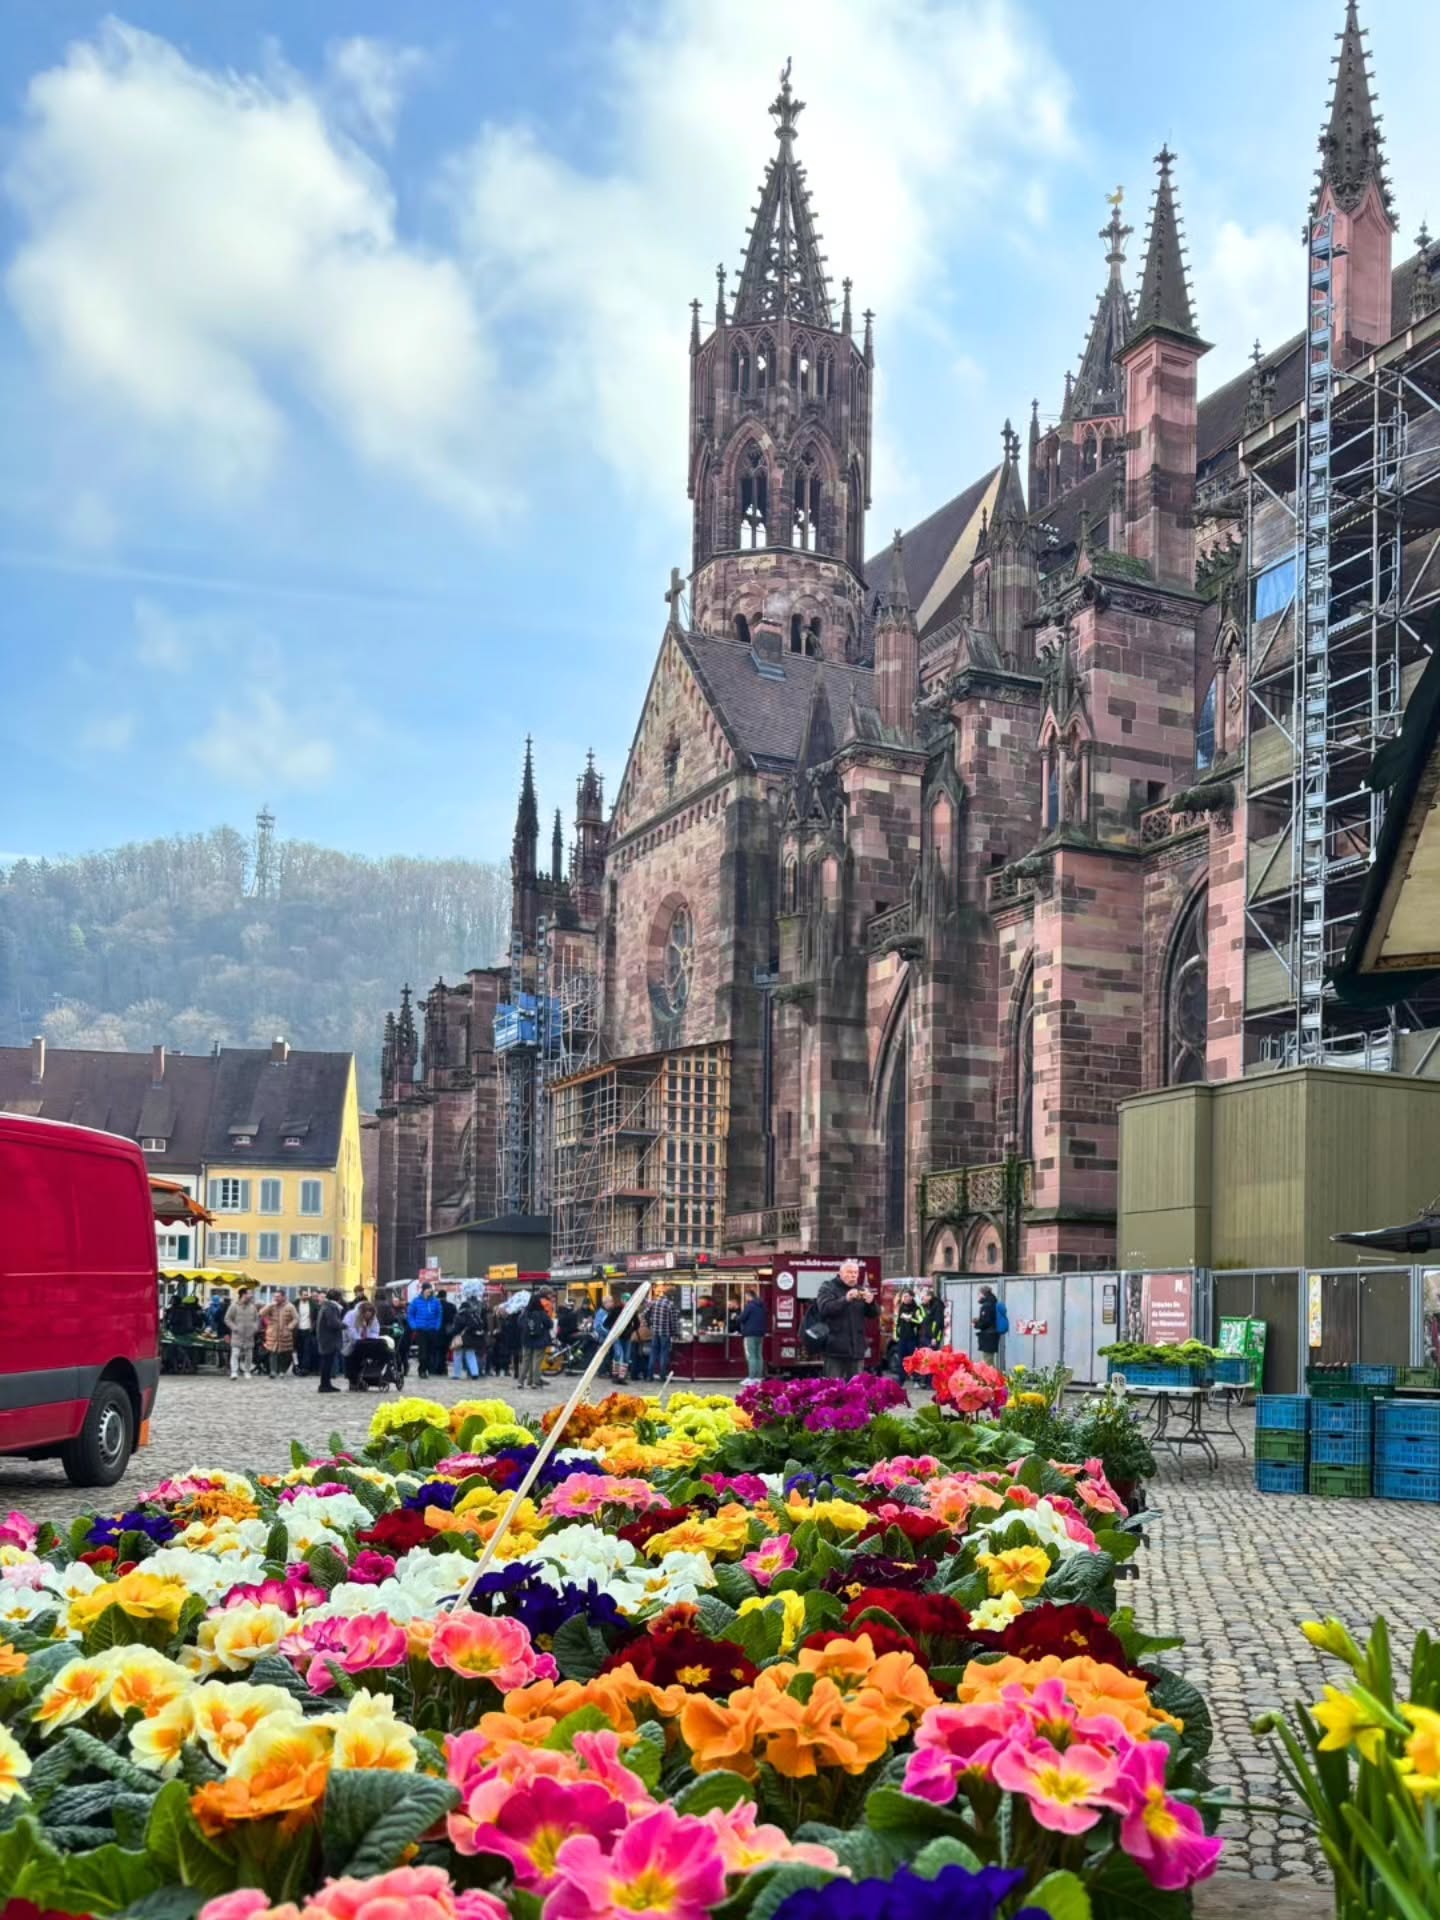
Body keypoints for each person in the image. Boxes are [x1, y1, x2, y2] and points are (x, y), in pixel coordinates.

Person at [815, 1259, 878, 1380]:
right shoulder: (828, 1287)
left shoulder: (860, 1289)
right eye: (849, 1272)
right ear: (840, 1273)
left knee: (856, 1389)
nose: (853, 1275)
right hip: (834, 1350)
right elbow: (825, 1309)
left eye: (855, 1272)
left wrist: (871, 1303)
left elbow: (873, 1315)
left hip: (856, 1350)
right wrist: (846, 1299)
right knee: (833, 1388)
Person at [345, 1299, 387, 1390]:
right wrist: (359, 1340)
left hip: (366, 1342)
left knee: (381, 1347)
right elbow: (350, 1330)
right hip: (352, 1343)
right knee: (353, 1359)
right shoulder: (351, 1316)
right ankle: (353, 1381)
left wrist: (370, 1339)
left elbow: (375, 1330)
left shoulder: (373, 1318)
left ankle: (372, 1375)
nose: (368, 1317)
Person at [407, 1282, 443, 1377]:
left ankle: (426, 1368)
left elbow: (439, 1315)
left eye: (430, 1291)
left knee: (430, 1351)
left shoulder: (435, 1301)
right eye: (427, 1291)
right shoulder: (416, 1301)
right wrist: (414, 1325)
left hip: (432, 1329)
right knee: (423, 1352)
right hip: (420, 1329)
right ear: (423, 1290)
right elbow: (410, 1314)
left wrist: (437, 1326)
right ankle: (422, 1370)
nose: (429, 1293)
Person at [520, 1291, 553, 1390]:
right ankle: (534, 1382)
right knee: (536, 1362)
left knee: (525, 1360)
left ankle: (521, 1382)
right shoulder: (541, 1313)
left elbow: (520, 1323)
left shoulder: (526, 1312)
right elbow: (550, 1324)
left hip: (526, 1339)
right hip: (540, 1339)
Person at [224, 1288, 260, 1381]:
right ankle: (234, 1372)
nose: (251, 1295)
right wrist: (234, 1327)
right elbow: (227, 1319)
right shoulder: (234, 1306)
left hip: (249, 1335)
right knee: (235, 1354)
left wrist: (255, 1328)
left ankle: (247, 1371)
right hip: (237, 1335)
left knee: (249, 1355)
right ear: (243, 1295)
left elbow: (257, 1319)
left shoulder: (253, 1307)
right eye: (249, 1293)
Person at [262, 1292, 298, 1378]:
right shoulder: (271, 1306)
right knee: (272, 1352)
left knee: (284, 1353)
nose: (275, 1298)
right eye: (274, 1296)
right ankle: (273, 1371)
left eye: (278, 1296)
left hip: (285, 1333)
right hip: (273, 1333)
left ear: (283, 1297)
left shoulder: (290, 1306)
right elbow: (261, 1313)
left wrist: (290, 1327)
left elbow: (296, 1318)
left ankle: (282, 1371)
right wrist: (269, 1305)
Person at [649, 1285, 680, 1383]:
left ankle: (649, 1375)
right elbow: (673, 1321)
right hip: (665, 1333)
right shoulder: (670, 1305)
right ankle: (662, 1376)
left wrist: (651, 1323)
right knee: (664, 1353)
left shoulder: (655, 1302)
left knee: (653, 1353)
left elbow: (645, 1313)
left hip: (655, 1332)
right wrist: (675, 1332)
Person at [316, 1291, 344, 1393]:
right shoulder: (331, 1307)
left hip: (325, 1338)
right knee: (327, 1363)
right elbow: (333, 1323)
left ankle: (326, 1384)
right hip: (329, 1339)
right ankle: (324, 1385)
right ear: (338, 1298)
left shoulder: (326, 1305)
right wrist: (344, 1325)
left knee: (326, 1362)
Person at [455, 1291, 488, 1379]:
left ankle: (457, 1374)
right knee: (471, 1355)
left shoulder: (459, 1315)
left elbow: (456, 1327)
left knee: (458, 1355)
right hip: (471, 1338)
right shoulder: (474, 1314)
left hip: (460, 1338)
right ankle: (475, 1373)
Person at [738, 1288, 767, 1384]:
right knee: (759, 1355)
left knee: (751, 1356)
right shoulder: (762, 1306)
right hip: (760, 1333)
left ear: (749, 1296)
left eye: (745, 1296)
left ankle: (751, 1377)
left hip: (750, 1334)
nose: (745, 1298)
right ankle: (758, 1377)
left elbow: (742, 1318)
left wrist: (736, 1317)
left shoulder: (750, 1306)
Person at [895, 1287, 926, 1375]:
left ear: (911, 1297)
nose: (904, 1298)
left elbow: (921, 1320)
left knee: (913, 1358)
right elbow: (897, 1322)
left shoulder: (917, 1308)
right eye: (903, 1296)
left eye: (906, 1296)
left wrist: (911, 1319)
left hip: (912, 1337)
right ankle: (901, 1378)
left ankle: (916, 1378)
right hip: (902, 1337)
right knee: (901, 1358)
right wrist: (896, 1335)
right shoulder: (901, 1308)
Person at [974, 1285, 1003, 1368]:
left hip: (988, 1336)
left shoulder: (986, 1306)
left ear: (983, 1294)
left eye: (979, 1294)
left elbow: (985, 1322)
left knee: (988, 1362)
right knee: (989, 1360)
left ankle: (993, 1380)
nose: (978, 1296)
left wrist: (976, 1324)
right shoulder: (994, 1303)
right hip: (993, 1335)